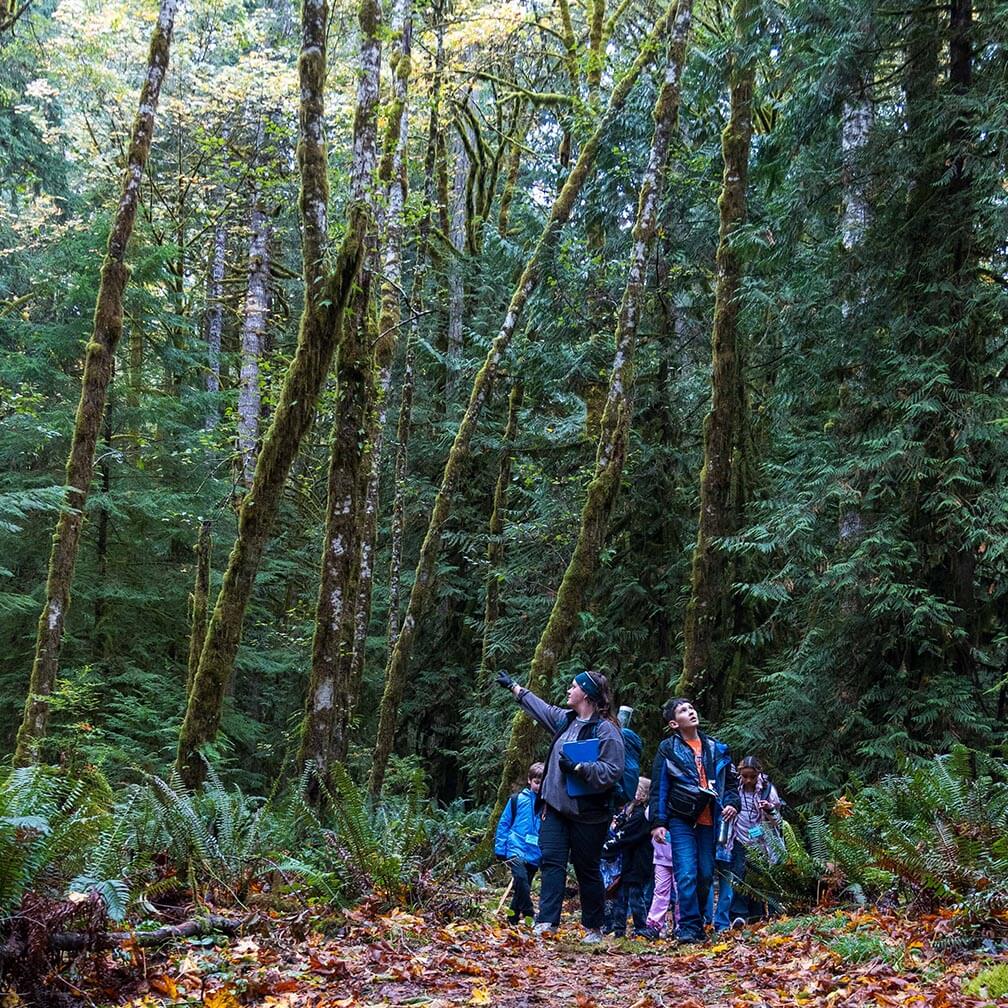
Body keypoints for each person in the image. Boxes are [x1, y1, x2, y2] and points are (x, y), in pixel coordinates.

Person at [496, 669, 625, 943]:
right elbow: (540, 708)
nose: (568, 690)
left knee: (586, 868)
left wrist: (579, 767)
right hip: (554, 809)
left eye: (573, 686)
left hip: (589, 814)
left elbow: (612, 770)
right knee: (551, 863)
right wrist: (514, 687)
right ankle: (546, 923)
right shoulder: (565, 721)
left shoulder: (606, 730)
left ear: (586, 695)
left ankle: (593, 928)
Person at [649, 697, 740, 944]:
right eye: (682, 711)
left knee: (705, 873)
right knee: (686, 872)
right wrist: (658, 822)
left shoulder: (717, 748)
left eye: (691, 708)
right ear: (673, 723)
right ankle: (688, 926)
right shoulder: (667, 748)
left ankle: (698, 919)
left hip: (710, 819)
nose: (690, 712)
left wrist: (732, 803)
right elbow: (659, 786)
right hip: (681, 819)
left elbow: (731, 782)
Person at [714, 755, 784, 928]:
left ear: (759, 773)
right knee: (738, 876)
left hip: (761, 842)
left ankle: (757, 915)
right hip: (738, 838)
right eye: (745, 776)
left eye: (752, 776)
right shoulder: (734, 788)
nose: (748, 780)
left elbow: (778, 822)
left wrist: (769, 809)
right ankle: (739, 914)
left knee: (758, 878)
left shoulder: (768, 790)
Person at [493, 761, 545, 925]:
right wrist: (500, 848)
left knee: (522, 887)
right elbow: (504, 823)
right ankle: (529, 913)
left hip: (535, 853)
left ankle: (512, 918)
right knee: (521, 879)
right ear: (529, 780)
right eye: (537, 782)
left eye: (543, 783)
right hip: (515, 847)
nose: (539, 786)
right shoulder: (517, 799)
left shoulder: (547, 804)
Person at [601, 777, 652, 938]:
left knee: (635, 896)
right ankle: (619, 928)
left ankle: (641, 927)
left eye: (636, 789)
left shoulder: (641, 816)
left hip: (638, 862)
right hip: (627, 862)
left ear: (643, 795)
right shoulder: (628, 812)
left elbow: (626, 836)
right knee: (620, 895)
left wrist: (608, 846)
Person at [643, 819, 675, 938]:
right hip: (660, 855)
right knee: (660, 890)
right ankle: (654, 924)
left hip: (680, 855)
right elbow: (650, 816)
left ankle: (681, 925)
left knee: (680, 891)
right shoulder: (656, 806)